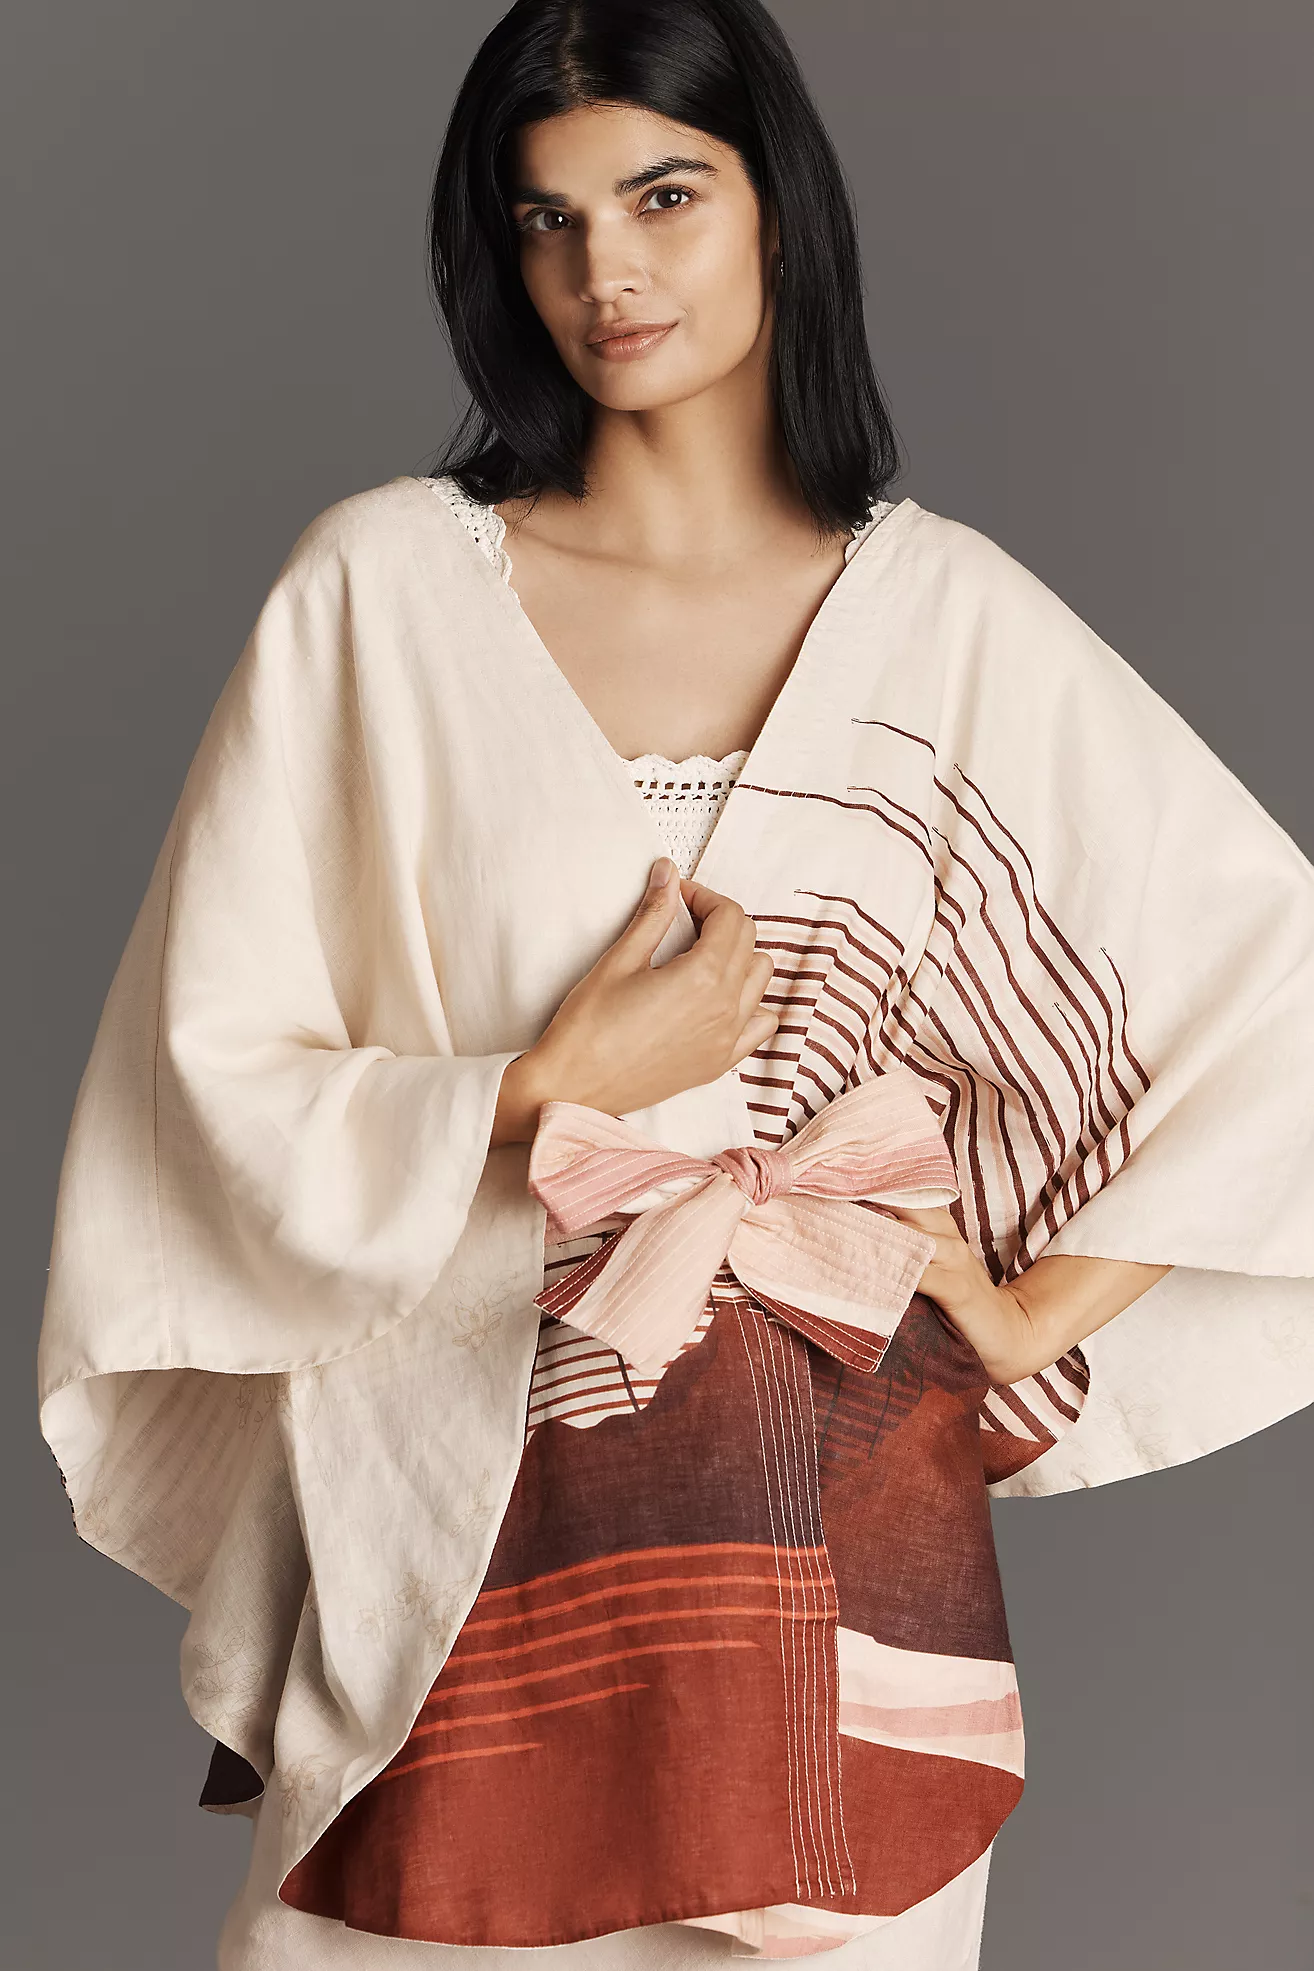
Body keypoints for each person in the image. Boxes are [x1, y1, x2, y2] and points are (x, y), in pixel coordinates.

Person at [36, 1, 1314, 1967]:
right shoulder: (380, 593)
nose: (604, 272)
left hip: (834, 1552)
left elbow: (1271, 996)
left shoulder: (945, 620)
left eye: (662, 197)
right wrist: (535, 1089)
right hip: (455, 1534)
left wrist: (1027, 1304)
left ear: (775, 207)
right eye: (546, 220)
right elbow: (200, 1079)